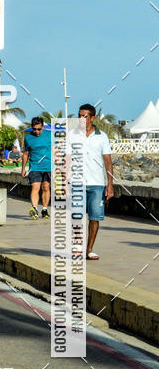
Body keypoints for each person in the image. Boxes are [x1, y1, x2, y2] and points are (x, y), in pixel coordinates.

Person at [78, 102, 113, 260]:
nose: (81, 118)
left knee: (94, 217)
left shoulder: (102, 136)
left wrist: (110, 185)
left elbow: (108, 162)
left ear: (92, 118)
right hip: (76, 183)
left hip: (97, 184)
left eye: (84, 116)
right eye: (79, 115)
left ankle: (89, 250)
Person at [22, 116, 52, 219]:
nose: (37, 131)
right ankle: (34, 208)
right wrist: (23, 168)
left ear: (43, 127)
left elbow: (56, 150)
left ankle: (44, 209)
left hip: (48, 166)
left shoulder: (50, 135)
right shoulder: (28, 138)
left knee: (46, 187)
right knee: (35, 187)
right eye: (34, 129)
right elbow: (25, 154)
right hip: (35, 166)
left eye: (39, 129)